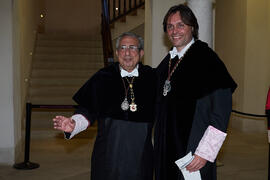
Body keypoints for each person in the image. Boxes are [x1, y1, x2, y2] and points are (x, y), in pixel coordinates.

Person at [53, 32, 155, 180]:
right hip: (108, 155)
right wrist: (74, 124)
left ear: (141, 53)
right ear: (116, 52)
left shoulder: (152, 78)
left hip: (140, 157)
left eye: (132, 47)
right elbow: (87, 109)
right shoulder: (103, 77)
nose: (127, 52)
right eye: (123, 47)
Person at [154, 4, 237, 180]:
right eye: (170, 26)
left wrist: (205, 153)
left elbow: (221, 109)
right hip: (166, 149)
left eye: (180, 25)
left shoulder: (206, 58)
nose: (174, 31)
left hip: (193, 150)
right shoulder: (168, 62)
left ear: (192, 27)